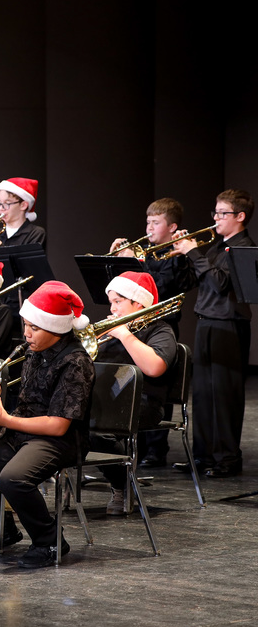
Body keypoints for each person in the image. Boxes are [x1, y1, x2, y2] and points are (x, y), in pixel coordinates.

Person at [0, 281, 95, 568]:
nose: (26, 333)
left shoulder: (76, 362)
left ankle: (49, 541)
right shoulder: (33, 351)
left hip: (61, 440)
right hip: (22, 431)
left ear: (57, 328)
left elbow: (59, 426)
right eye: (25, 325)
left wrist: (6, 420)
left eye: (34, 327)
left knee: (13, 478)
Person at [171, 189, 255, 478]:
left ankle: (227, 459)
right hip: (207, 322)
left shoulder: (243, 247)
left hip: (229, 326)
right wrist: (182, 255)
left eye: (222, 213)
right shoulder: (216, 248)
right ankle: (203, 456)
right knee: (203, 395)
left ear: (240, 217)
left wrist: (193, 252)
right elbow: (192, 280)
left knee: (224, 395)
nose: (216, 219)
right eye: (215, 213)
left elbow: (220, 283)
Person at [109, 197, 195, 465]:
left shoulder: (177, 257)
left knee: (155, 382)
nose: (149, 227)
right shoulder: (144, 251)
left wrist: (137, 264)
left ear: (172, 227)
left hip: (161, 324)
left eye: (155, 223)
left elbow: (158, 290)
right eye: (147, 221)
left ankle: (155, 450)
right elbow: (124, 289)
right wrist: (118, 259)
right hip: (132, 322)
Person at [88, 272, 175, 514]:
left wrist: (124, 335)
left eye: (118, 301)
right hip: (105, 402)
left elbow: (155, 367)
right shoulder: (111, 332)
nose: (112, 308)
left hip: (143, 403)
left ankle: (122, 484)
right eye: (111, 302)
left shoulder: (160, 330)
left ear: (138, 304)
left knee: (99, 430)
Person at [0, 178, 47, 250]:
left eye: (7, 203)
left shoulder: (35, 233)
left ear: (23, 205)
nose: (1, 208)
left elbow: (26, 261)